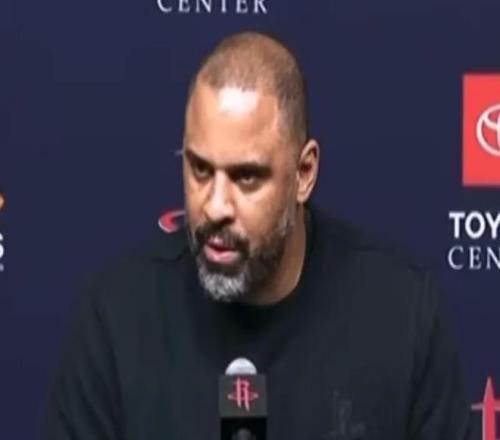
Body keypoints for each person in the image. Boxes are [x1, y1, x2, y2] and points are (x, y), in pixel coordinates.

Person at [41, 31, 476, 439]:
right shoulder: (114, 319)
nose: (215, 207)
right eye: (199, 169)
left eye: (246, 177)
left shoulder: (402, 313)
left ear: (304, 173)